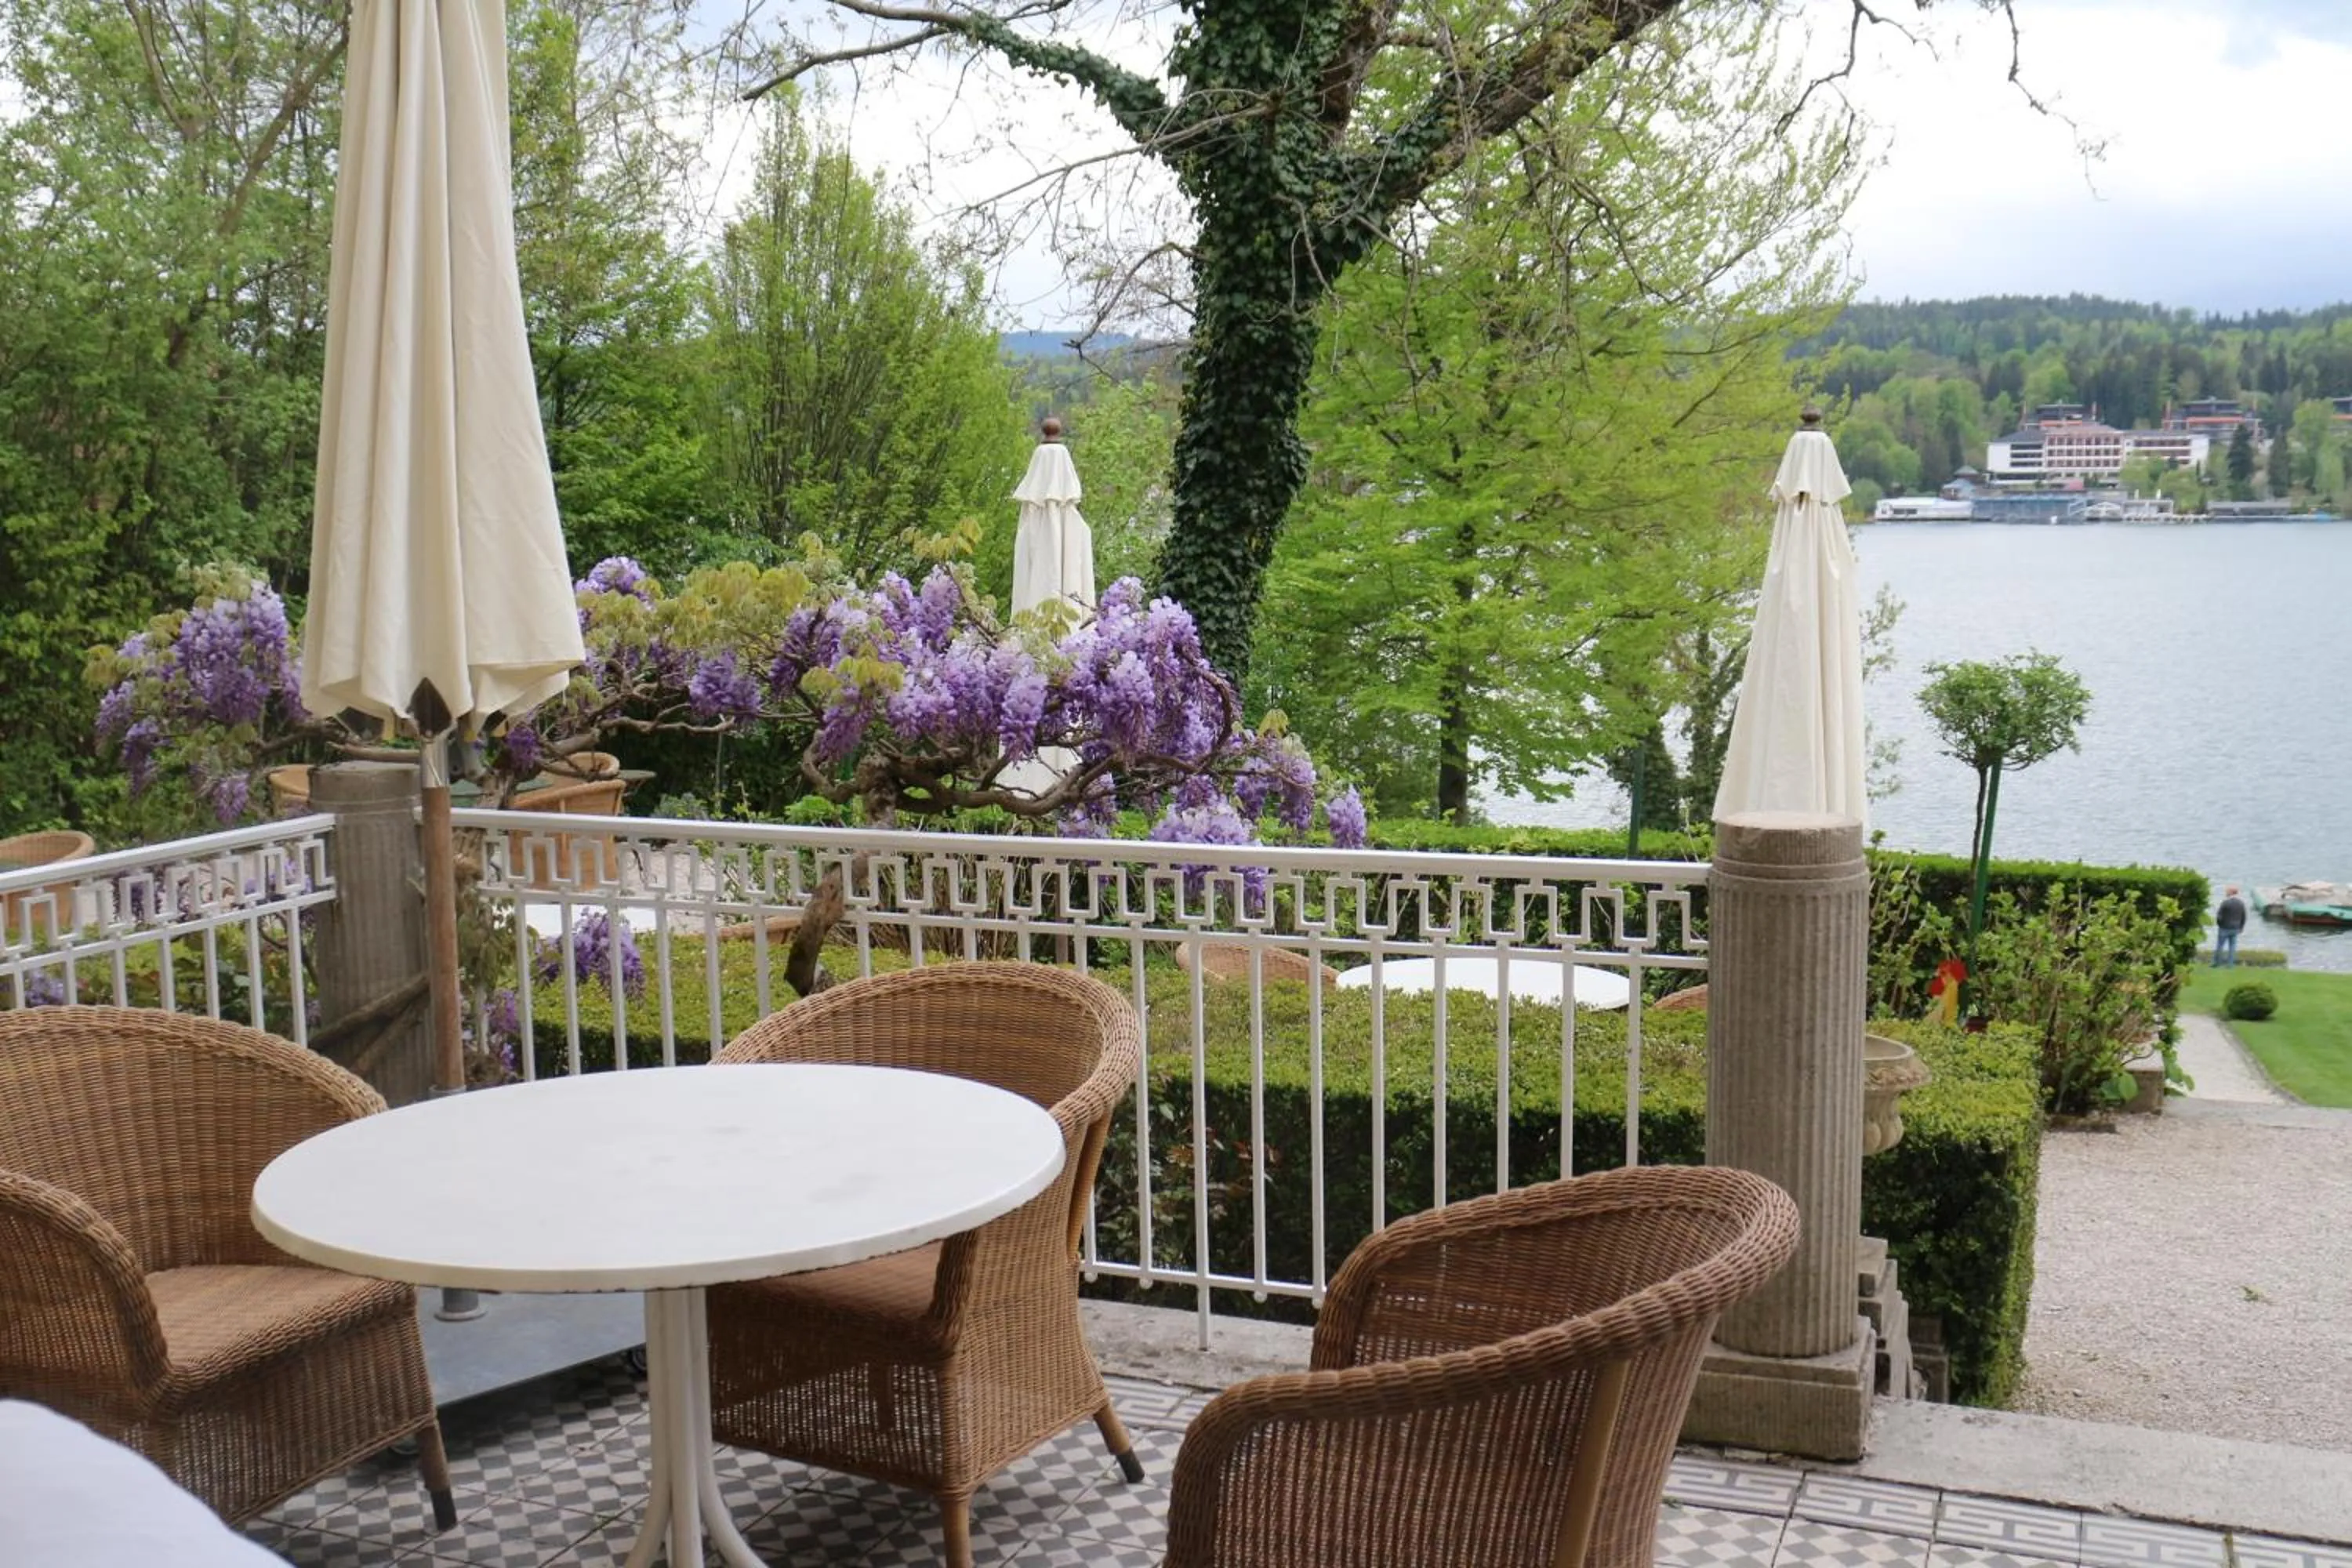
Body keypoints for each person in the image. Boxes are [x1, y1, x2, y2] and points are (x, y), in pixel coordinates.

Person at [2214, 886, 2248, 967]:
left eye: (2227, 891)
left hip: (2224, 927)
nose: (2226, 893)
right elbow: (2244, 916)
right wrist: (2241, 927)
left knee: (2220, 945)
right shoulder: (2241, 903)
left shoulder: (2225, 903)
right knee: (2232, 947)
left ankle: (2217, 963)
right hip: (2236, 928)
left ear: (2231, 893)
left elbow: (2219, 916)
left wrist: (2219, 924)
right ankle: (2230, 964)